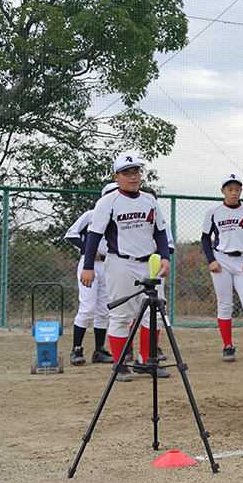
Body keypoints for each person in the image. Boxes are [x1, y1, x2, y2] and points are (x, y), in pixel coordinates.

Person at [80, 154, 172, 382]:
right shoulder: (107, 201)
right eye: (127, 173)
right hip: (121, 263)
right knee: (121, 315)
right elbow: (94, 236)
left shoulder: (150, 201)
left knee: (155, 314)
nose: (133, 177)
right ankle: (120, 363)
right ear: (116, 176)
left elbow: (160, 231)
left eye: (136, 172)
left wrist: (165, 257)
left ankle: (145, 360)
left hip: (148, 263)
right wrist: (88, 266)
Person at [201, 173, 243, 363]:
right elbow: (205, 238)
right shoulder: (213, 210)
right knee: (225, 305)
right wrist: (210, 260)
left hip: (242, 262)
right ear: (222, 191)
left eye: (237, 189)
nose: (234, 193)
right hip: (221, 261)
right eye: (230, 189)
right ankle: (228, 347)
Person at [64, 182, 118, 366]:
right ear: (103, 196)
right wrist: (88, 248)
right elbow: (70, 234)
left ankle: (99, 350)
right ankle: (76, 349)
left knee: (104, 309)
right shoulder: (91, 215)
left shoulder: (117, 219)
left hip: (108, 264)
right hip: (90, 265)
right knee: (88, 307)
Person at [139, 185, 174, 364]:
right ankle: (130, 349)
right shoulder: (134, 221)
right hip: (133, 264)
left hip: (155, 267)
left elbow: (169, 246)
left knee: (157, 310)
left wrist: (159, 252)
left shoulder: (162, 224)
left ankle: (151, 349)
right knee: (130, 311)